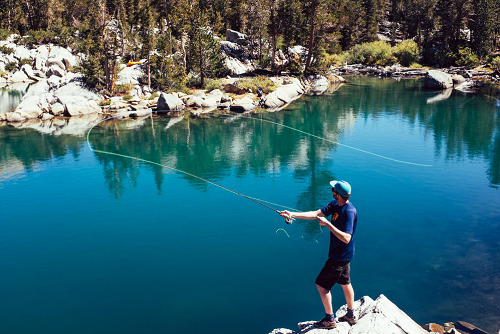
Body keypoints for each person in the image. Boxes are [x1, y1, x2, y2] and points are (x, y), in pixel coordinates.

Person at [280, 180, 358, 329]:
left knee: (322, 286)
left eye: (333, 189)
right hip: (344, 255)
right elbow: (316, 214)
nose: (332, 190)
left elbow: (347, 238)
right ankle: (351, 314)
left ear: (339, 194)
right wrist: (292, 214)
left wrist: (328, 224)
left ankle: (330, 320)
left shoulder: (349, 211)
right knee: (345, 282)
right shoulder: (335, 204)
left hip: (340, 256)